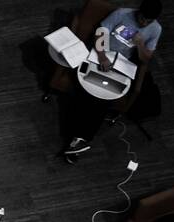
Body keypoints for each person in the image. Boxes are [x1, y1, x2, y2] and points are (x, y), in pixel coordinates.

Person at [61, 0, 163, 163]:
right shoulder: (122, 14)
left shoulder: (155, 29)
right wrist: (102, 56)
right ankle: (80, 139)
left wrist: (140, 44)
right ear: (138, 12)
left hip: (121, 64)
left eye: (148, 21)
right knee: (90, 95)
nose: (144, 23)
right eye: (142, 18)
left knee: (104, 98)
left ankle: (78, 138)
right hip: (101, 55)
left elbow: (146, 58)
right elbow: (100, 32)